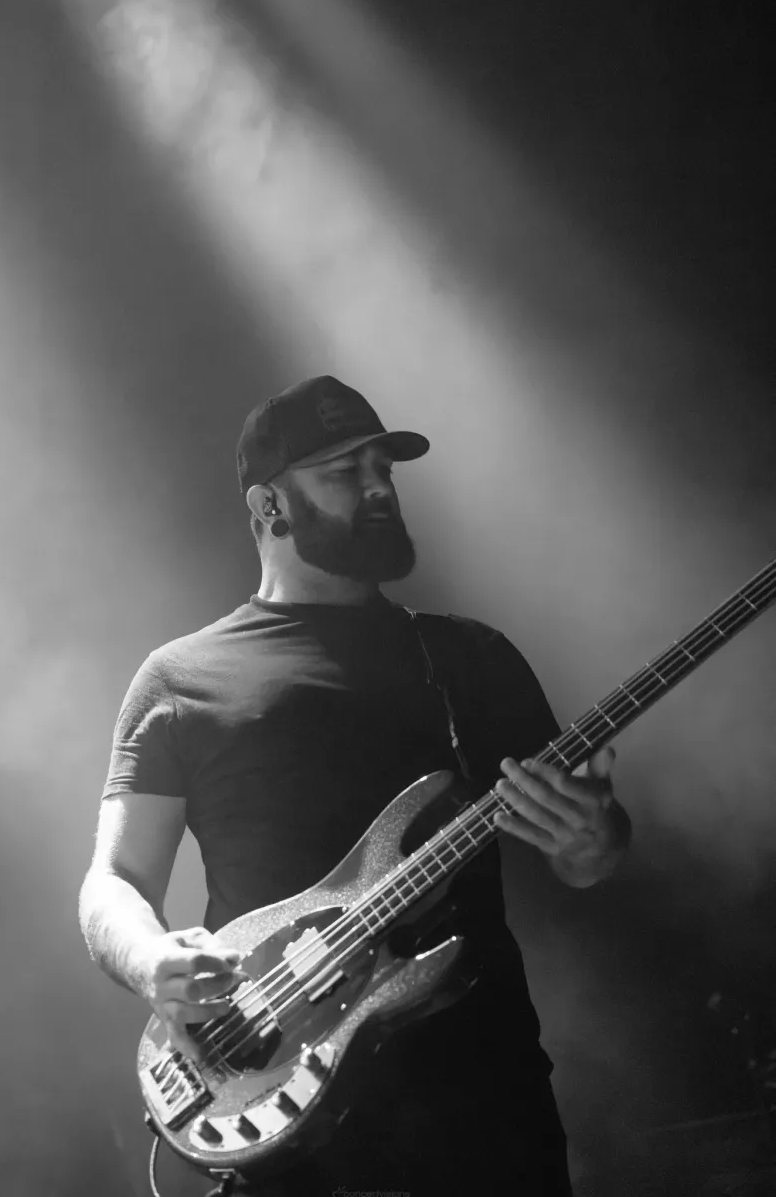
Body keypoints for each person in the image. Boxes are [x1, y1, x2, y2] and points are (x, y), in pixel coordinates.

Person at [79, 375, 631, 1196]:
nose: (379, 488)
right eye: (344, 472)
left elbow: (586, 860)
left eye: (384, 468)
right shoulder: (179, 679)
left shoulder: (471, 658)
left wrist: (595, 839)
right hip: (276, 1100)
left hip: (483, 1103)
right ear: (269, 506)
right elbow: (113, 881)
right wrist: (150, 959)